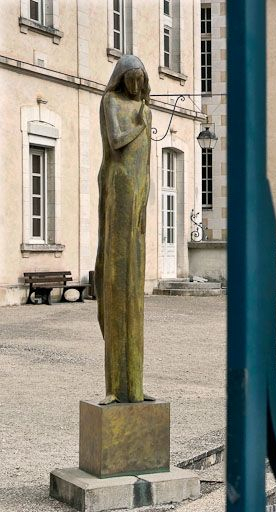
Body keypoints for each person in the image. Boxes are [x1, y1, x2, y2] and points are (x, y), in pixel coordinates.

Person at [95, 55, 153, 404]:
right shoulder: (111, 102)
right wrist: (141, 123)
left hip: (137, 199)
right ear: (121, 78)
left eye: (140, 79)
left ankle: (135, 385)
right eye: (130, 78)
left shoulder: (144, 108)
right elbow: (117, 141)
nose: (135, 85)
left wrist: (145, 206)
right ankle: (116, 387)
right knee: (118, 284)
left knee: (135, 294)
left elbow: (145, 167)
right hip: (118, 192)